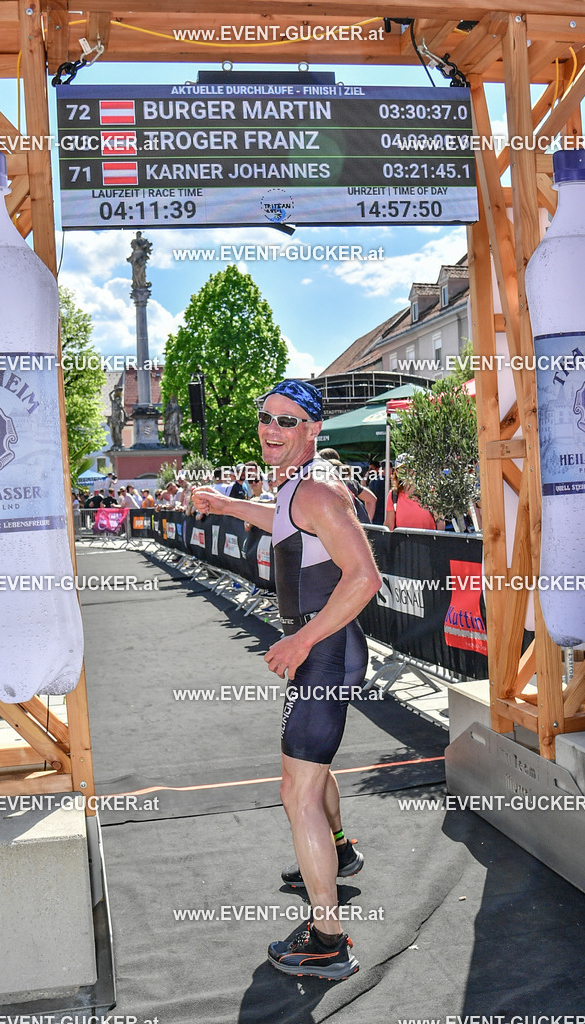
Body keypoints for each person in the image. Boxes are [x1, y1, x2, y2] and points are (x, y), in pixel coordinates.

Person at [193, 379, 382, 981]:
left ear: (311, 430)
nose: (271, 429)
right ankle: (341, 850)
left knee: (295, 791)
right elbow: (280, 519)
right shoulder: (296, 491)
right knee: (310, 772)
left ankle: (328, 939)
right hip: (323, 650)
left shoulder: (318, 491)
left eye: (286, 420)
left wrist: (300, 640)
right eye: (266, 418)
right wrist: (226, 507)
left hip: (322, 653)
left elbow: (364, 577)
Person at [384, 456, 440, 530]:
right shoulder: (393, 495)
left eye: (410, 469)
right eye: (403, 469)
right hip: (403, 540)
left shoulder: (429, 491)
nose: (408, 472)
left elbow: (440, 521)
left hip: (428, 540)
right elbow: (389, 524)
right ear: (397, 473)